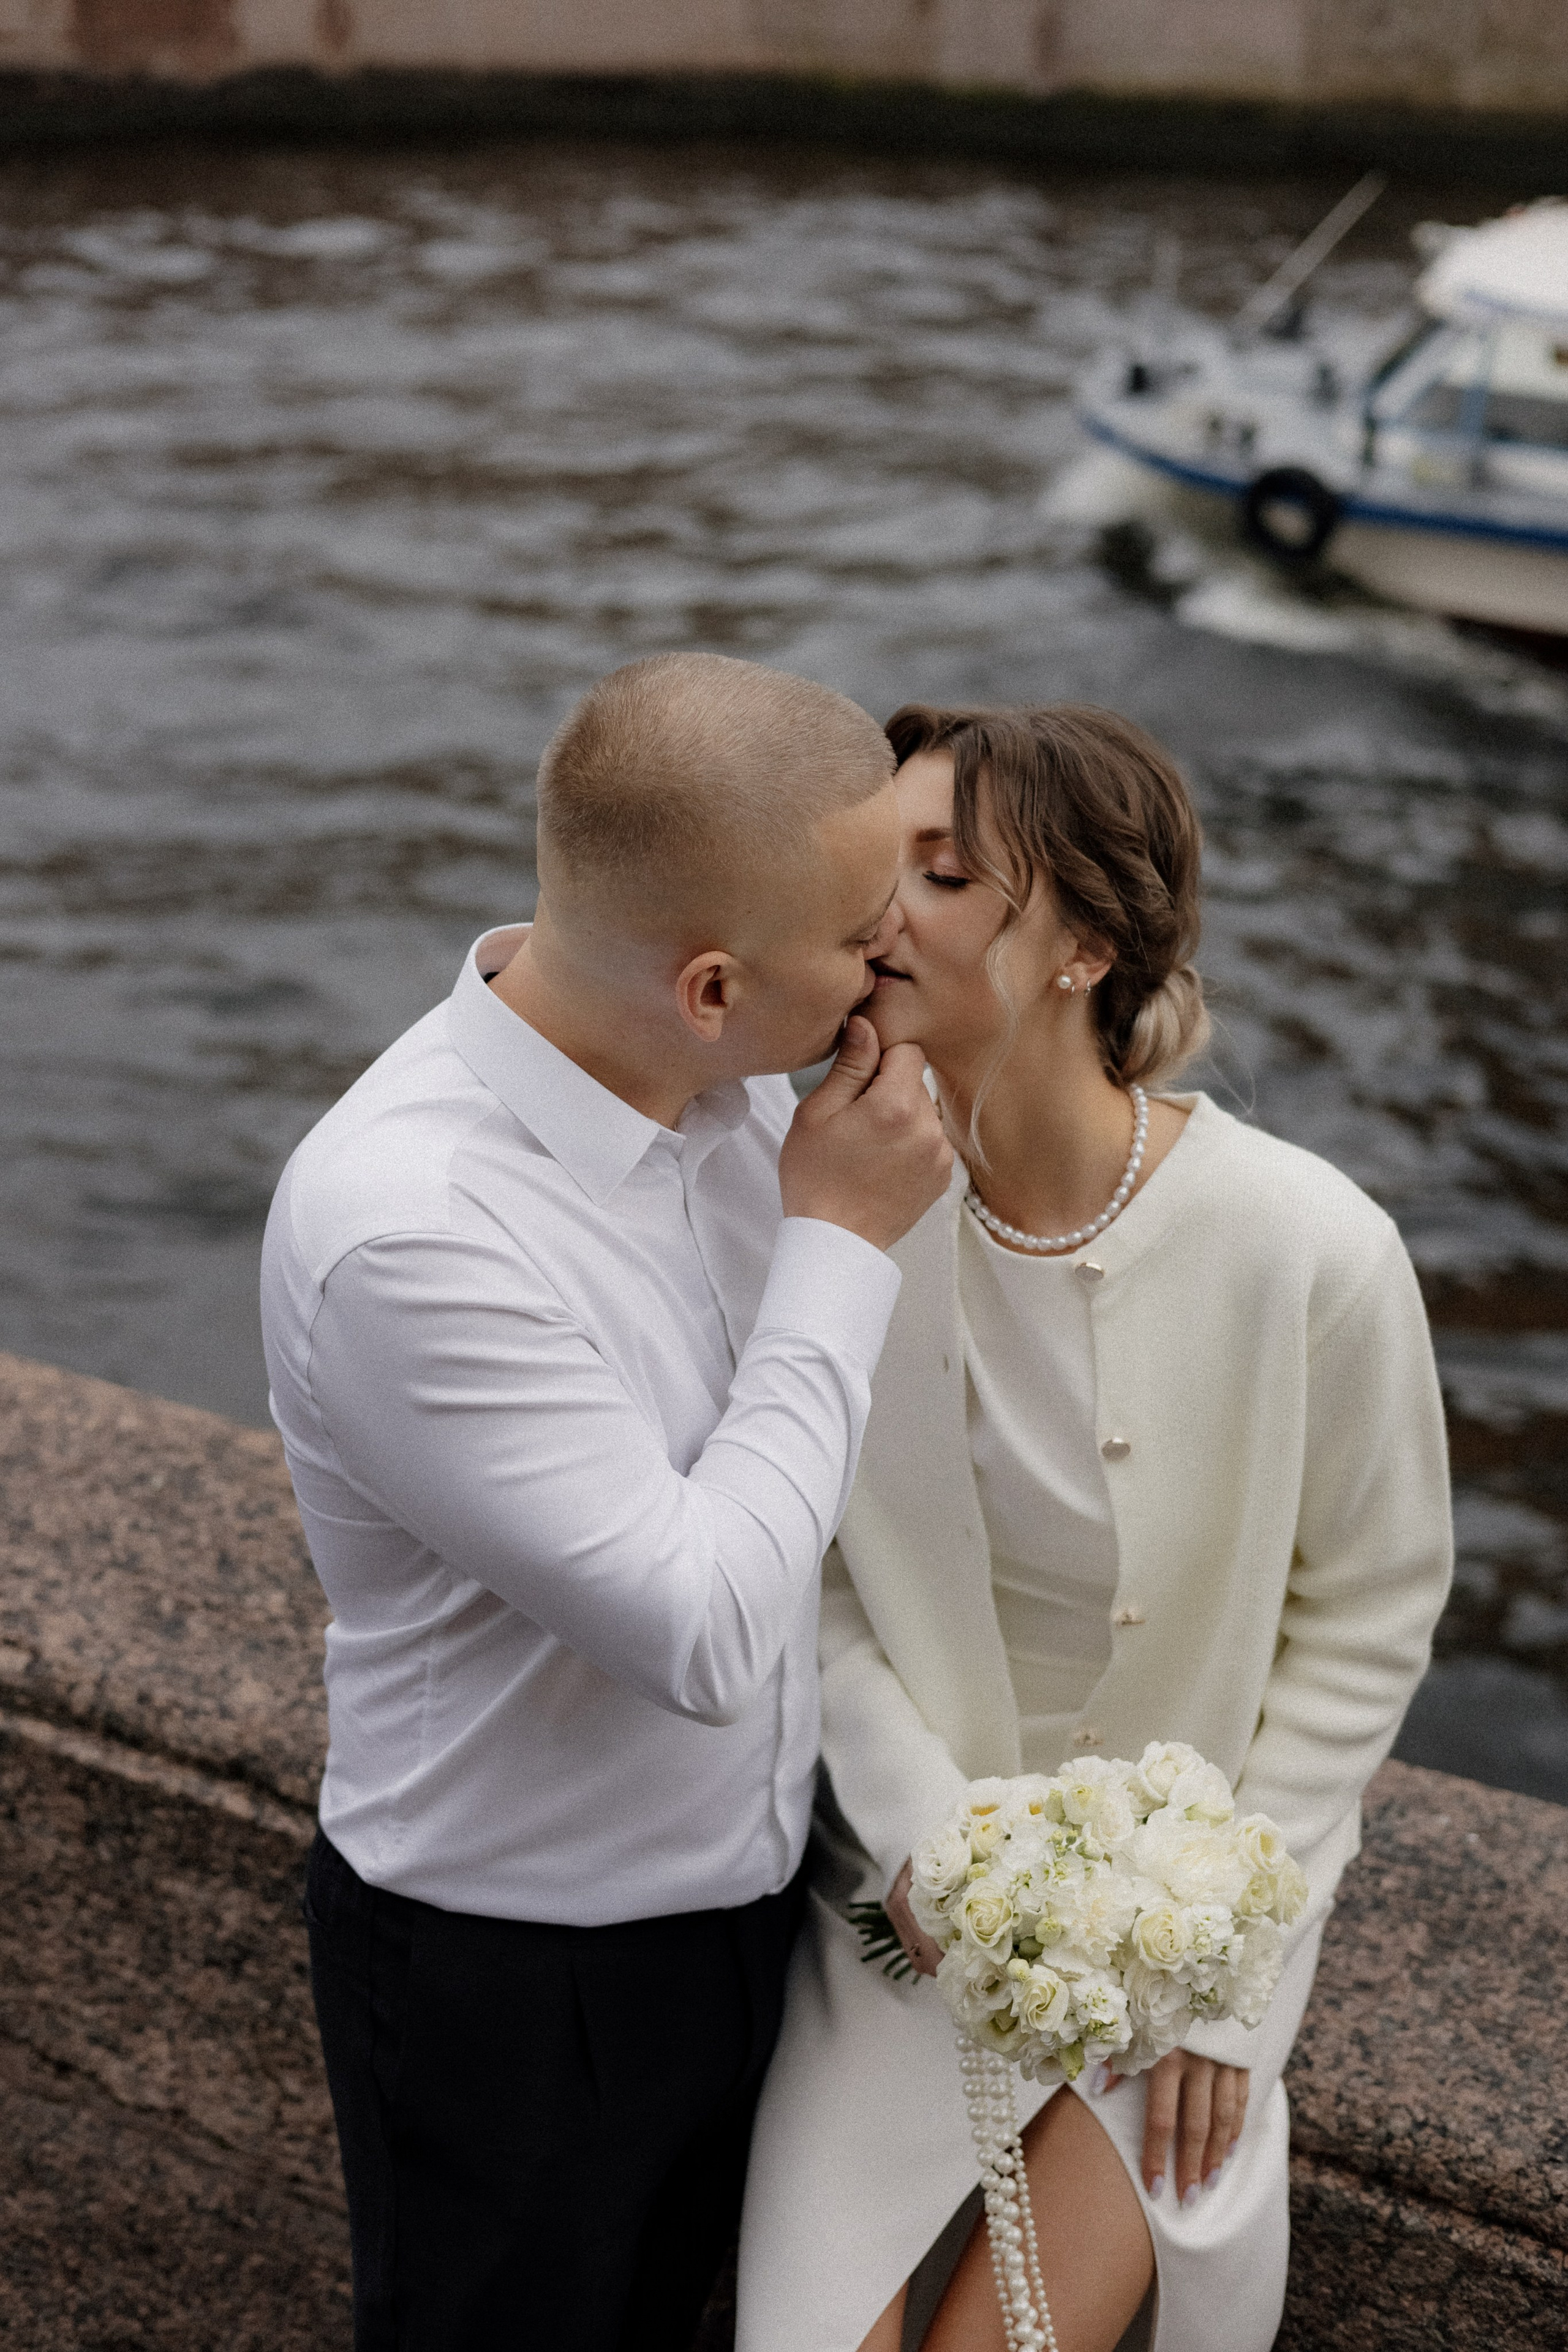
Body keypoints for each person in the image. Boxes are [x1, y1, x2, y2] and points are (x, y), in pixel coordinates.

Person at [736, 703, 1453, 2352]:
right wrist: (924, 1837)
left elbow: (1370, 1607)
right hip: (900, 1922)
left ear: (1089, 946)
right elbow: (809, 1566)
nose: (876, 914)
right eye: (870, 868)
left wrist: (1237, 1968)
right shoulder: (818, 1199)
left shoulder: (1312, 1250)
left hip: (1181, 1946)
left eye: (940, 874)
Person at [259, 651, 953, 2352]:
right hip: (513, 1974)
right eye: (868, 924)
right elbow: (705, 1626)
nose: (898, 952)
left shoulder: (718, 1073)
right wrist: (843, 1244)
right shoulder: (412, 1232)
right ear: (710, 986)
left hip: (750, 1910)